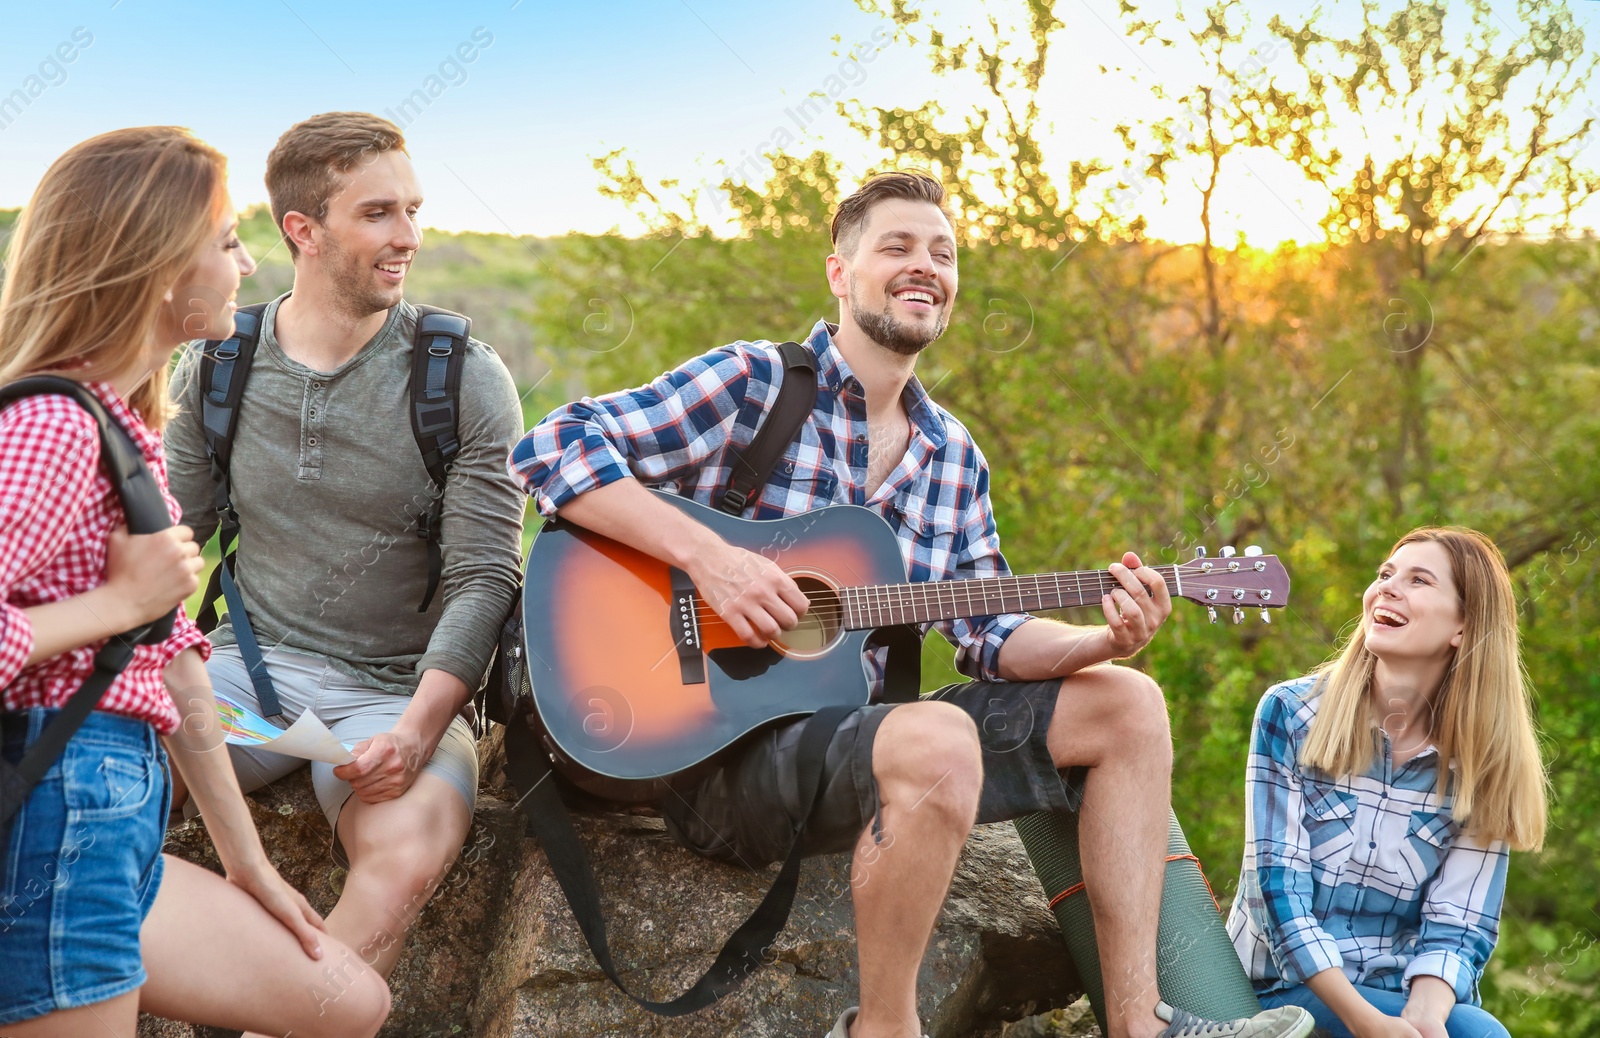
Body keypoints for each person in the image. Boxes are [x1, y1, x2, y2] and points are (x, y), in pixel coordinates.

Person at [511, 170, 1313, 1038]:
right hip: (711, 752)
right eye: (897, 246)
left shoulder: (952, 455)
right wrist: (713, 561)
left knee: (1127, 704)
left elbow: (991, 634)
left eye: (943, 253)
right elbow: (552, 446)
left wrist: (1102, 636)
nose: (923, 265)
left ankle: (1138, 1026)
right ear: (838, 271)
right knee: (938, 738)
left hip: (845, 735)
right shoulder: (755, 385)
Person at [0, 126, 389, 1038]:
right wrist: (115, 606)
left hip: (115, 819)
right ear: (158, 264)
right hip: (56, 814)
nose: (247, 264)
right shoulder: (51, 426)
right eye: (225, 241)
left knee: (346, 1002)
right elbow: (130, 620)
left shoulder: (120, 428)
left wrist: (246, 861)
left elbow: (174, 664)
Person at [162, 112, 525, 1004]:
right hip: (243, 675)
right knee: (80, 763)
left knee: (405, 857)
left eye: (413, 208)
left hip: (399, 693)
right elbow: (173, 542)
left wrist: (421, 726)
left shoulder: (462, 378)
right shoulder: (217, 365)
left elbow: (486, 574)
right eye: (378, 214)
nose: (410, 237)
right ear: (302, 231)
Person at [1227, 527, 1548, 1038]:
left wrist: (1422, 1018)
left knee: (1479, 1033)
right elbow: (1277, 894)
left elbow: (1459, 928)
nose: (1387, 587)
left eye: (1418, 580)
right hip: (1282, 986)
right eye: (1384, 574)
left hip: (1399, 994)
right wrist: (1368, 1024)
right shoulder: (1290, 714)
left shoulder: (1483, 761)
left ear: (1463, 629)